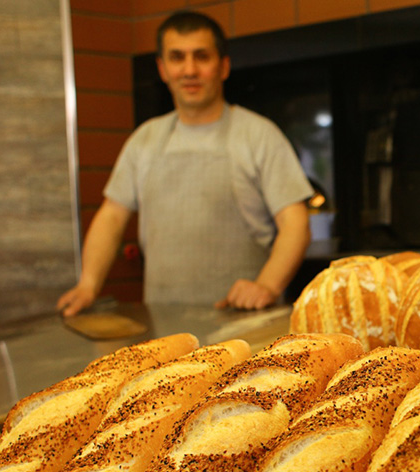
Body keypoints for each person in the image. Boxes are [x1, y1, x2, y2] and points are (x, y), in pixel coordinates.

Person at [57, 11, 313, 316]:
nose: (189, 70)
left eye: (201, 57)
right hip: (163, 326)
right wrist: (89, 285)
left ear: (223, 66)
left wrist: (268, 285)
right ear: (163, 69)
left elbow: (296, 222)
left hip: (245, 324)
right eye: (177, 58)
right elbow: (111, 217)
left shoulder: (259, 135)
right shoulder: (145, 140)